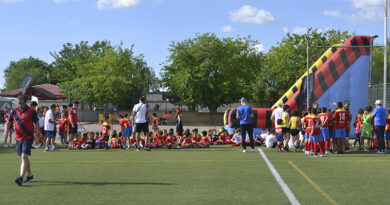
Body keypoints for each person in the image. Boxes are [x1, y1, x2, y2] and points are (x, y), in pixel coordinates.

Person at [6, 95, 39, 186]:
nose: (19, 105)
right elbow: (8, 122)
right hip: (18, 138)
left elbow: (36, 122)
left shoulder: (31, 111)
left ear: (25, 102)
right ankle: (30, 175)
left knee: (24, 157)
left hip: (28, 137)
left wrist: (37, 134)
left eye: (21, 103)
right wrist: (6, 131)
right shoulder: (14, 110)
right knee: (24, 158)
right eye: (18, 103)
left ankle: (21, 177)